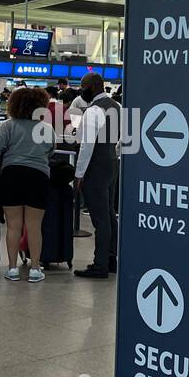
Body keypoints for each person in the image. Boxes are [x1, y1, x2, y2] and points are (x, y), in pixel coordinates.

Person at [0, 86, 54, 283]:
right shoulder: (46, 128)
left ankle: (12, 268)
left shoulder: (8, 126)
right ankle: (35, 269)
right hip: (38, 176)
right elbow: (51, 151)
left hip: (11, 175)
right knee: (34, 225)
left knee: (14, 225)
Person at [73, 72, 121, 278]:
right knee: (109, 214)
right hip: (111, 164)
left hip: (95, 168)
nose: (81, 90)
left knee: (100, 218)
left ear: (91, 87)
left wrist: (79, 174)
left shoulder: (93, 111)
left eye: (83, 86)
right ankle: (111, 259)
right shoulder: (117, 107)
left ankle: (99, 264)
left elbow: (86, 145)